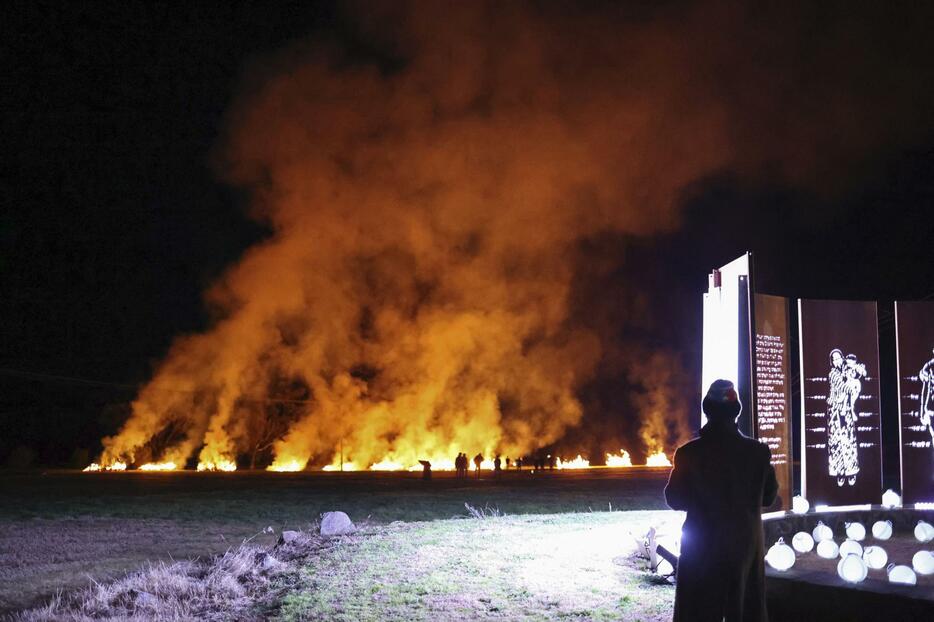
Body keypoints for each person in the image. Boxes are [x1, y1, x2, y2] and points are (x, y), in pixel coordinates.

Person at [665, 379, 778, 622]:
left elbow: (674, 498)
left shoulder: (688, 453)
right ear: (736, 411)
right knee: (745, 610)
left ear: (707, 410)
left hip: (701, 549)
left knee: (699, 611)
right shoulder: (758, 452)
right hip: (744, 548)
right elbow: (769, 497)